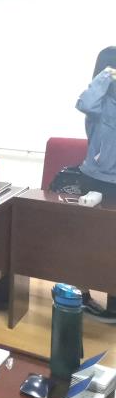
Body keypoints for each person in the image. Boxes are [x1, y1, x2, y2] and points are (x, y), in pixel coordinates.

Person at [76, 46, 116, 320]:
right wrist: (105, 76)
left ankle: (113, 305)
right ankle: (81, 296)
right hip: (96, 178)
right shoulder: (99, 99)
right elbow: (84, 104)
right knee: (87, 241)